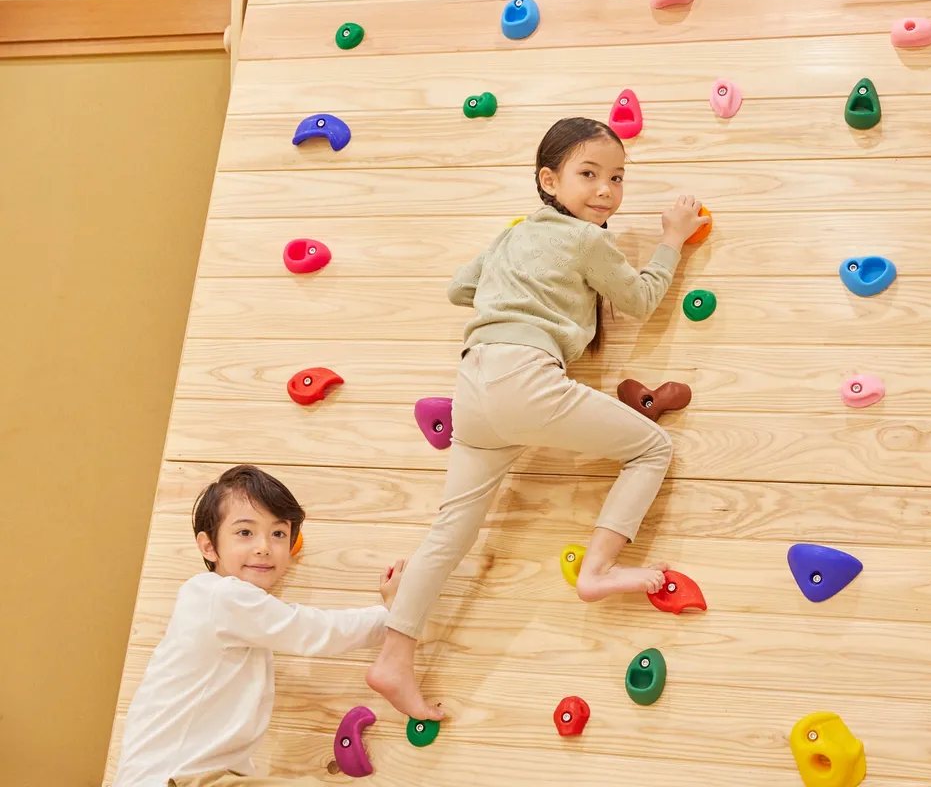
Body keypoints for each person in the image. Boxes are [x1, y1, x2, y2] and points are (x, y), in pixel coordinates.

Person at [367, 117, 709, 721]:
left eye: (616, 178)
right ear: (549, 180)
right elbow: (642, 300)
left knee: (451, 532)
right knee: (652, 448)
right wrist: (672, 238)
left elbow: (457, 289)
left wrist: (517, 279)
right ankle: (597, 568)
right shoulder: (587, 240)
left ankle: (395, 659)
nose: (605, 190)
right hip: (525, 375)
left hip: (475, 384)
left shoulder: (514, 235)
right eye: (588, 175)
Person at [113, 465, 402, 787]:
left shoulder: (225, 605)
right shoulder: (219, 595)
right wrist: (391, 616)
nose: (264, 546)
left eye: (278, 533)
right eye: (245, 533)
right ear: (208, 546)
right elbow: (310, 630)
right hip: (174, 778)